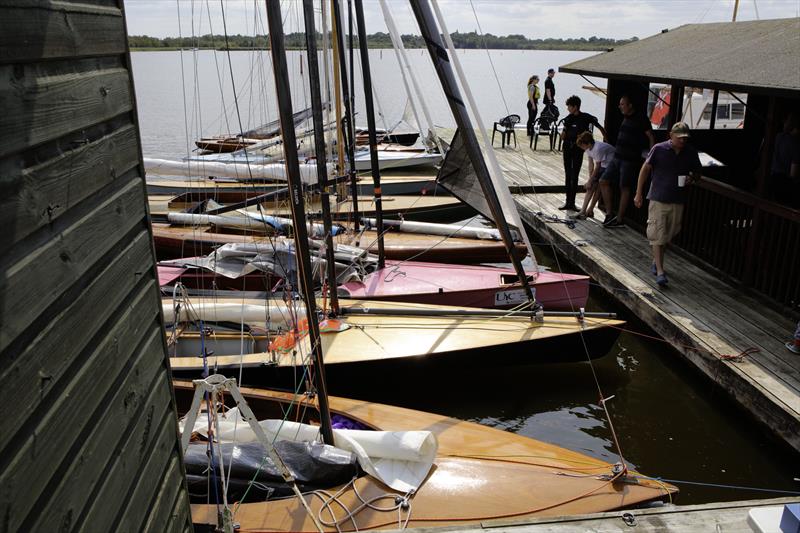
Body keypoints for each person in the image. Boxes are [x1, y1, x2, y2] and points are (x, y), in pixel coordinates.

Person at [633, 122, 701, 287]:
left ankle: (656, 261)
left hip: (678, 199)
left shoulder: (690, 152)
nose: (683, 141)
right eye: (680, 137)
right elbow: (645, 169)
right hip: (658, 197)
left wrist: (692, 178)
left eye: (685, 138)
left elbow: (698, 172)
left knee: (670, 233)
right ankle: (661, 272)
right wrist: (639, 193)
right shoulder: (659, 149)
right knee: (657, 233)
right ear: (671, 135)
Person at [599, 95, 655, 228]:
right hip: (617, 157)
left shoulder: (641, 118)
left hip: (629, 160)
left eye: (622, 104)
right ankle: (609, 213)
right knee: (603, 181)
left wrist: (652, 155)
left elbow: (650, 136)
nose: (620, 106)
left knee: (625, 187)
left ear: (630, 105)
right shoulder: (625, 117)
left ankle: (619, 219)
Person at [559, 95, 607, 211]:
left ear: (575, 106)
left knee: (575, 174)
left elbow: (600, 127)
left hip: (578, 149)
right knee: (568, 174)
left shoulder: (586, 117)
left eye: (569, 106)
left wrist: (606, 139)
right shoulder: (568, 118)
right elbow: (562, 137)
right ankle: (567, 201)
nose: (568, 109)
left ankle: (573, 202)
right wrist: (564, 129)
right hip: (567, 148)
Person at [574, 131, 615, 219]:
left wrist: (590, 181)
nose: (581, 148)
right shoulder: (588, 148)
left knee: (599, 185)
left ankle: (590, 209)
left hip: (611, 165)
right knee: (591, 186)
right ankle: (583, 210)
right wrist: (590, 180)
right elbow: (591, 164)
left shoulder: (598, 148)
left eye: (582, 145)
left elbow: (598, 166)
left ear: (588, 143)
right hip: (603, 165)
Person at [769, 111, 800, 208]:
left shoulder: (778, 137)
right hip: (784, 184)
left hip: (772, 179)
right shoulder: (795, 144)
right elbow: (793, 174)